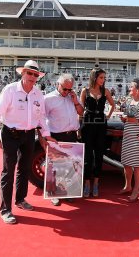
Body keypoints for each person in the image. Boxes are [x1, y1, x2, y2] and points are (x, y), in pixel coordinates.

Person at [0, 60, 55, 224]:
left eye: (35, 74)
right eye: (29, 73)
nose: (32, 77)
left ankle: (20, 200)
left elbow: (41, 118)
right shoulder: (10, 90)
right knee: (8, 171)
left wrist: (46, 135)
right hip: (10, 134)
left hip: (29, 135)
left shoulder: (38, 94)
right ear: (23, 73)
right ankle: (5, 209)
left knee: (24, 169)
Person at [44, 73, 84, 206]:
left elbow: (81, 112)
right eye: (64, 89)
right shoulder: (48, 99)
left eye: (69, 89)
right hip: (56, 135)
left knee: (69, 166)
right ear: (58, 84)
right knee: (54, 166)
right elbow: (41, 119)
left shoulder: (72, 97)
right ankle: (53, 194)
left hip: (71, 134)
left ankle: (67, 192)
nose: (67, 92)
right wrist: (44, 137)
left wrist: (75, 101)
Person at [80, 67, 115, 198]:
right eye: (101, 77)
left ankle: (96, 183)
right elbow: (80, 109)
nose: (103, 80)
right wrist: (78, 127)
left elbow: (113, 105)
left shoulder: (105, 91)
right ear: (94, 77)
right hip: (87, 124)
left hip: (101, 124)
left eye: (104, 78)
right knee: (87, 155)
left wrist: (107, 116)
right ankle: (87, 183)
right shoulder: (85, 90)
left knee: (99, 155)